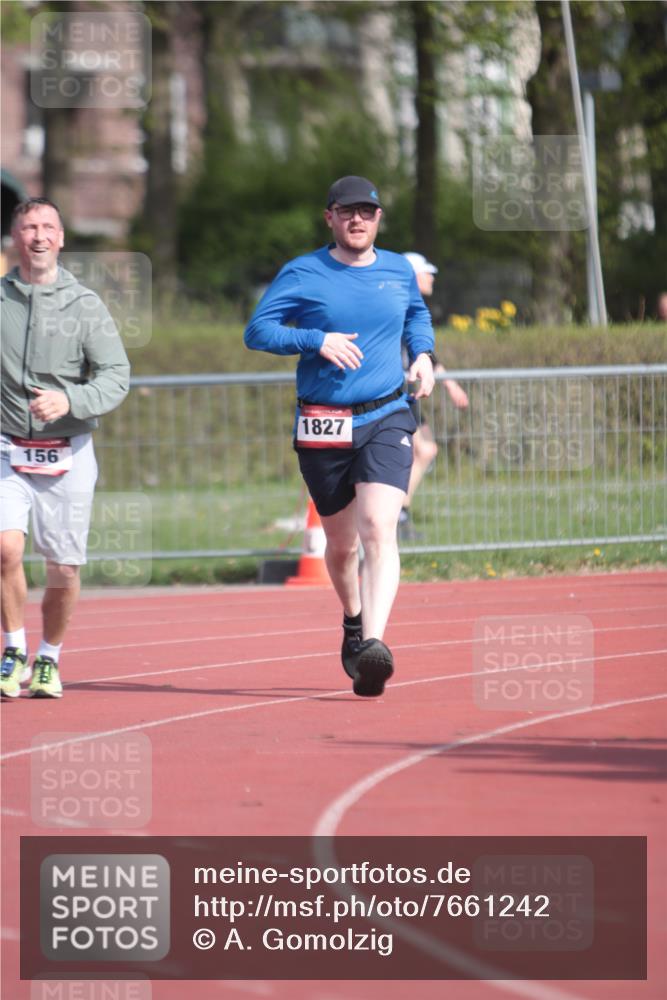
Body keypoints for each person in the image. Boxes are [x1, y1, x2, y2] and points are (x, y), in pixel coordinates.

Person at [244, 175, 438, 698]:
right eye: (346, 211)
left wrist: (422, 354)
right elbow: (257, 331)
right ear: (329, 217)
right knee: (340, 545)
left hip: (386, 414)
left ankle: (373, 646)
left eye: (367, 212)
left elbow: (417, 315)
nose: (358, 220)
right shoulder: (304, 272)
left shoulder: (399, 270)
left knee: (379, 526)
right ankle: (353, 620)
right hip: (323, 421)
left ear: (378, 219)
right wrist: (316, 339)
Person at [0, 198, 130, 699]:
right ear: (15, 237)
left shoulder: (85, 305)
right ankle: (12, 650)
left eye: (47, 227)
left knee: (63, 567)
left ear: (60, 238)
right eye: (29, 227)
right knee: (6, 548)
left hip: (68, 451)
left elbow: (116, 375)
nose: (38, 236)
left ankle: (49, 658)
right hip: (7, 448)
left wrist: (70, 399)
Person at [399, 252, 469, 541]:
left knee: (424, 451)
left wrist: (451, 384)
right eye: (426, 273)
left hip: (404, 393)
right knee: (421, 451)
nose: (432, 278)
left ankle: (397, 513)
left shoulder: (413, 308)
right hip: (393, 392)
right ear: (413, 277)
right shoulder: (400, 307)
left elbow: (426, 354)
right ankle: (395, 514)